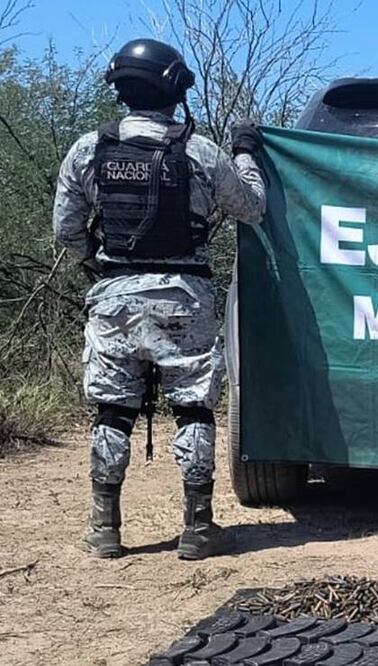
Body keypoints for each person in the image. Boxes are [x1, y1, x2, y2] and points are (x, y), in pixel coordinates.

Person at [53, 38, 266, 560]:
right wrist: (246, 152)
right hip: (184, 298)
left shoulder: (88, 148)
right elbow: (253, 207)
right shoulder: (200, 150)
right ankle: (198, 529)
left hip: (114, 299)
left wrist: (96, 267)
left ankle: (105, 528)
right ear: (175, 87)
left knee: (111, 412)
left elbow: (67, 229)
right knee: (194, 408)